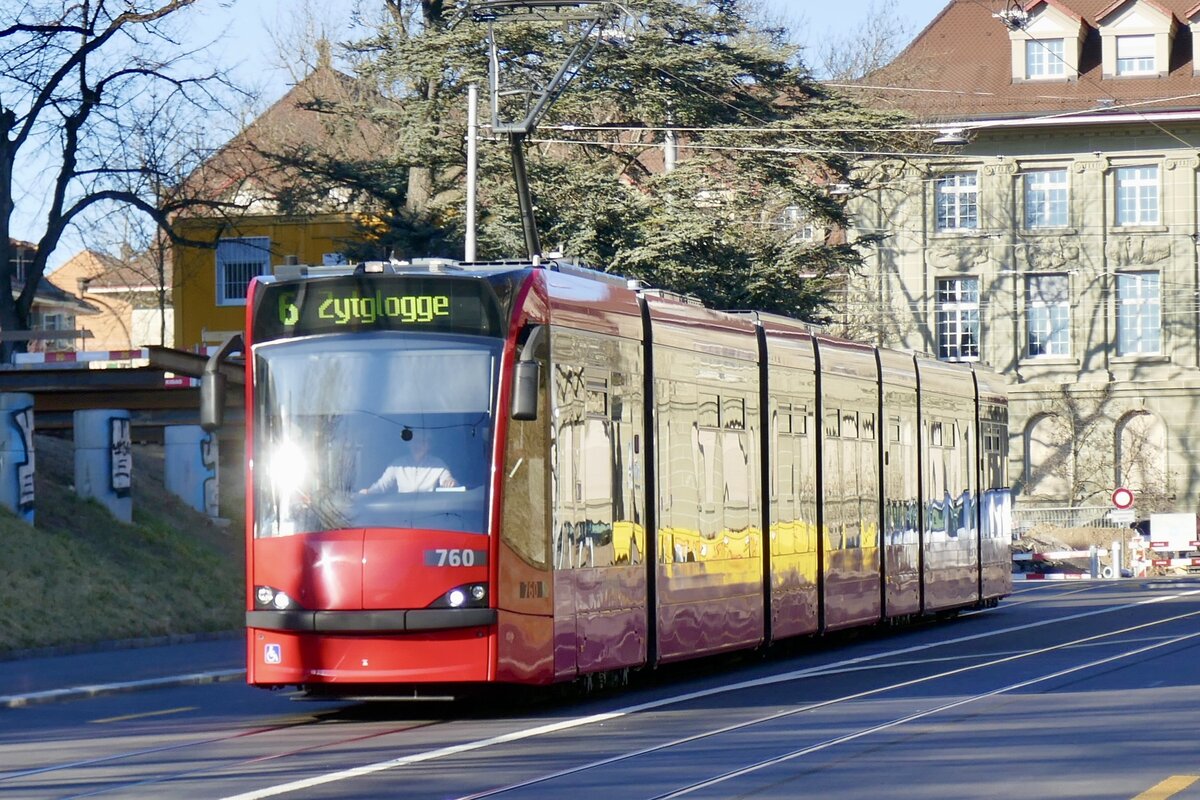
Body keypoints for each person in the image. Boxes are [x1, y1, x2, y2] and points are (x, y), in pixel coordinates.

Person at [359, 428, 458, 494]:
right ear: (408, 444)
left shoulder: (438, 465)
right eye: (415, 441)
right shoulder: (397, 464)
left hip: (430, 512)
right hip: (402, 513)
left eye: (422, 441)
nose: (418, 445)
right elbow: (382, 485)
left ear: (429, 446)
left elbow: (448, 481)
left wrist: (450, 483)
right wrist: (369, 492)